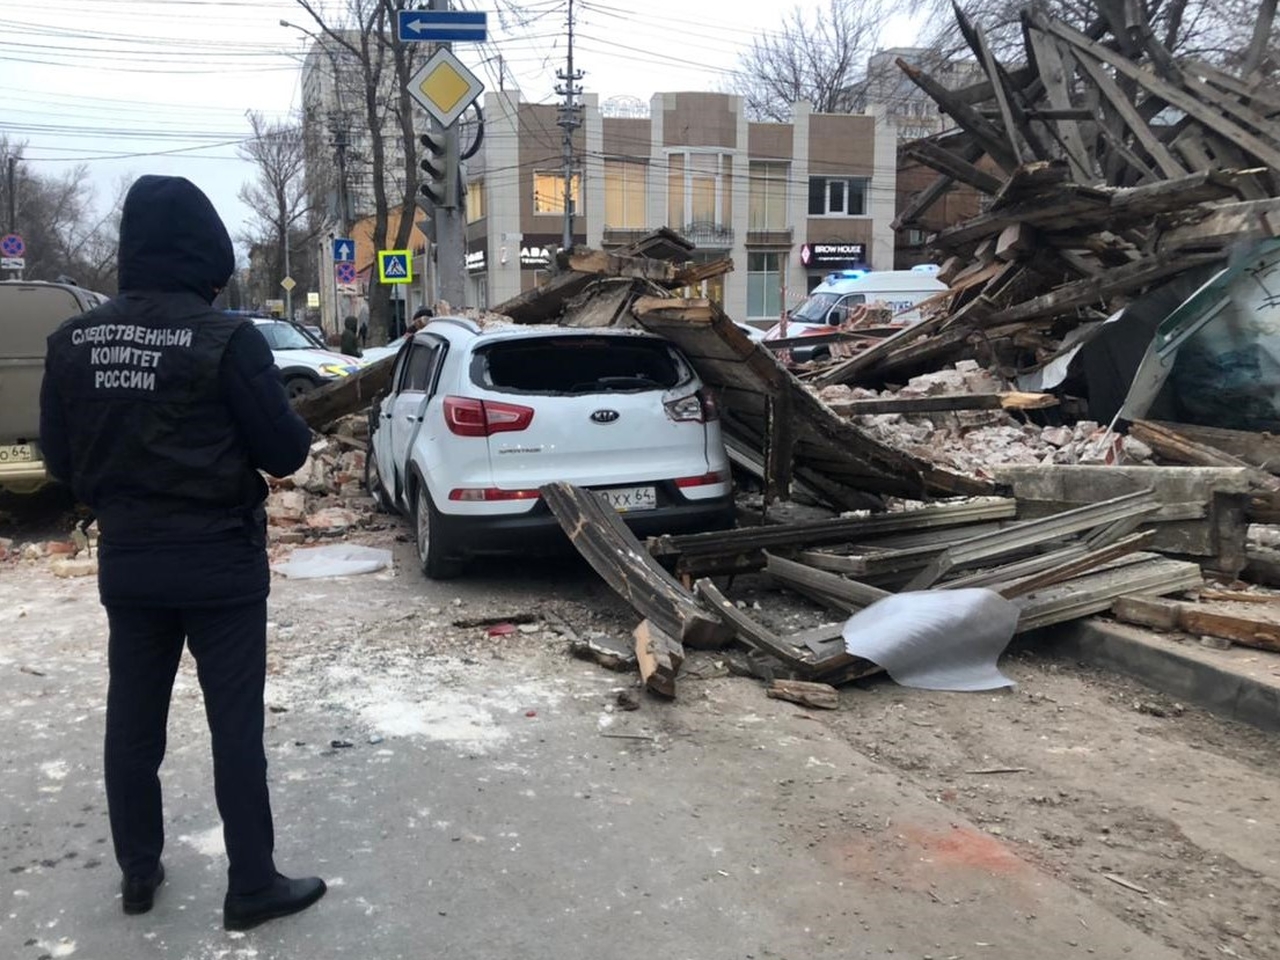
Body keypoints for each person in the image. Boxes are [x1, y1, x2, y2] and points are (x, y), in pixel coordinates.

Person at [39, 175, 327, 931]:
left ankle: (139, 872)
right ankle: (252, 885)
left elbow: (62, 464)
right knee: (235, 727)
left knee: (132, 723)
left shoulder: (72, 342)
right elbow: (287, 452)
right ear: (207, 251)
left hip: (130, 560)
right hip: (221, 563)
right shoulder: (227, 339)